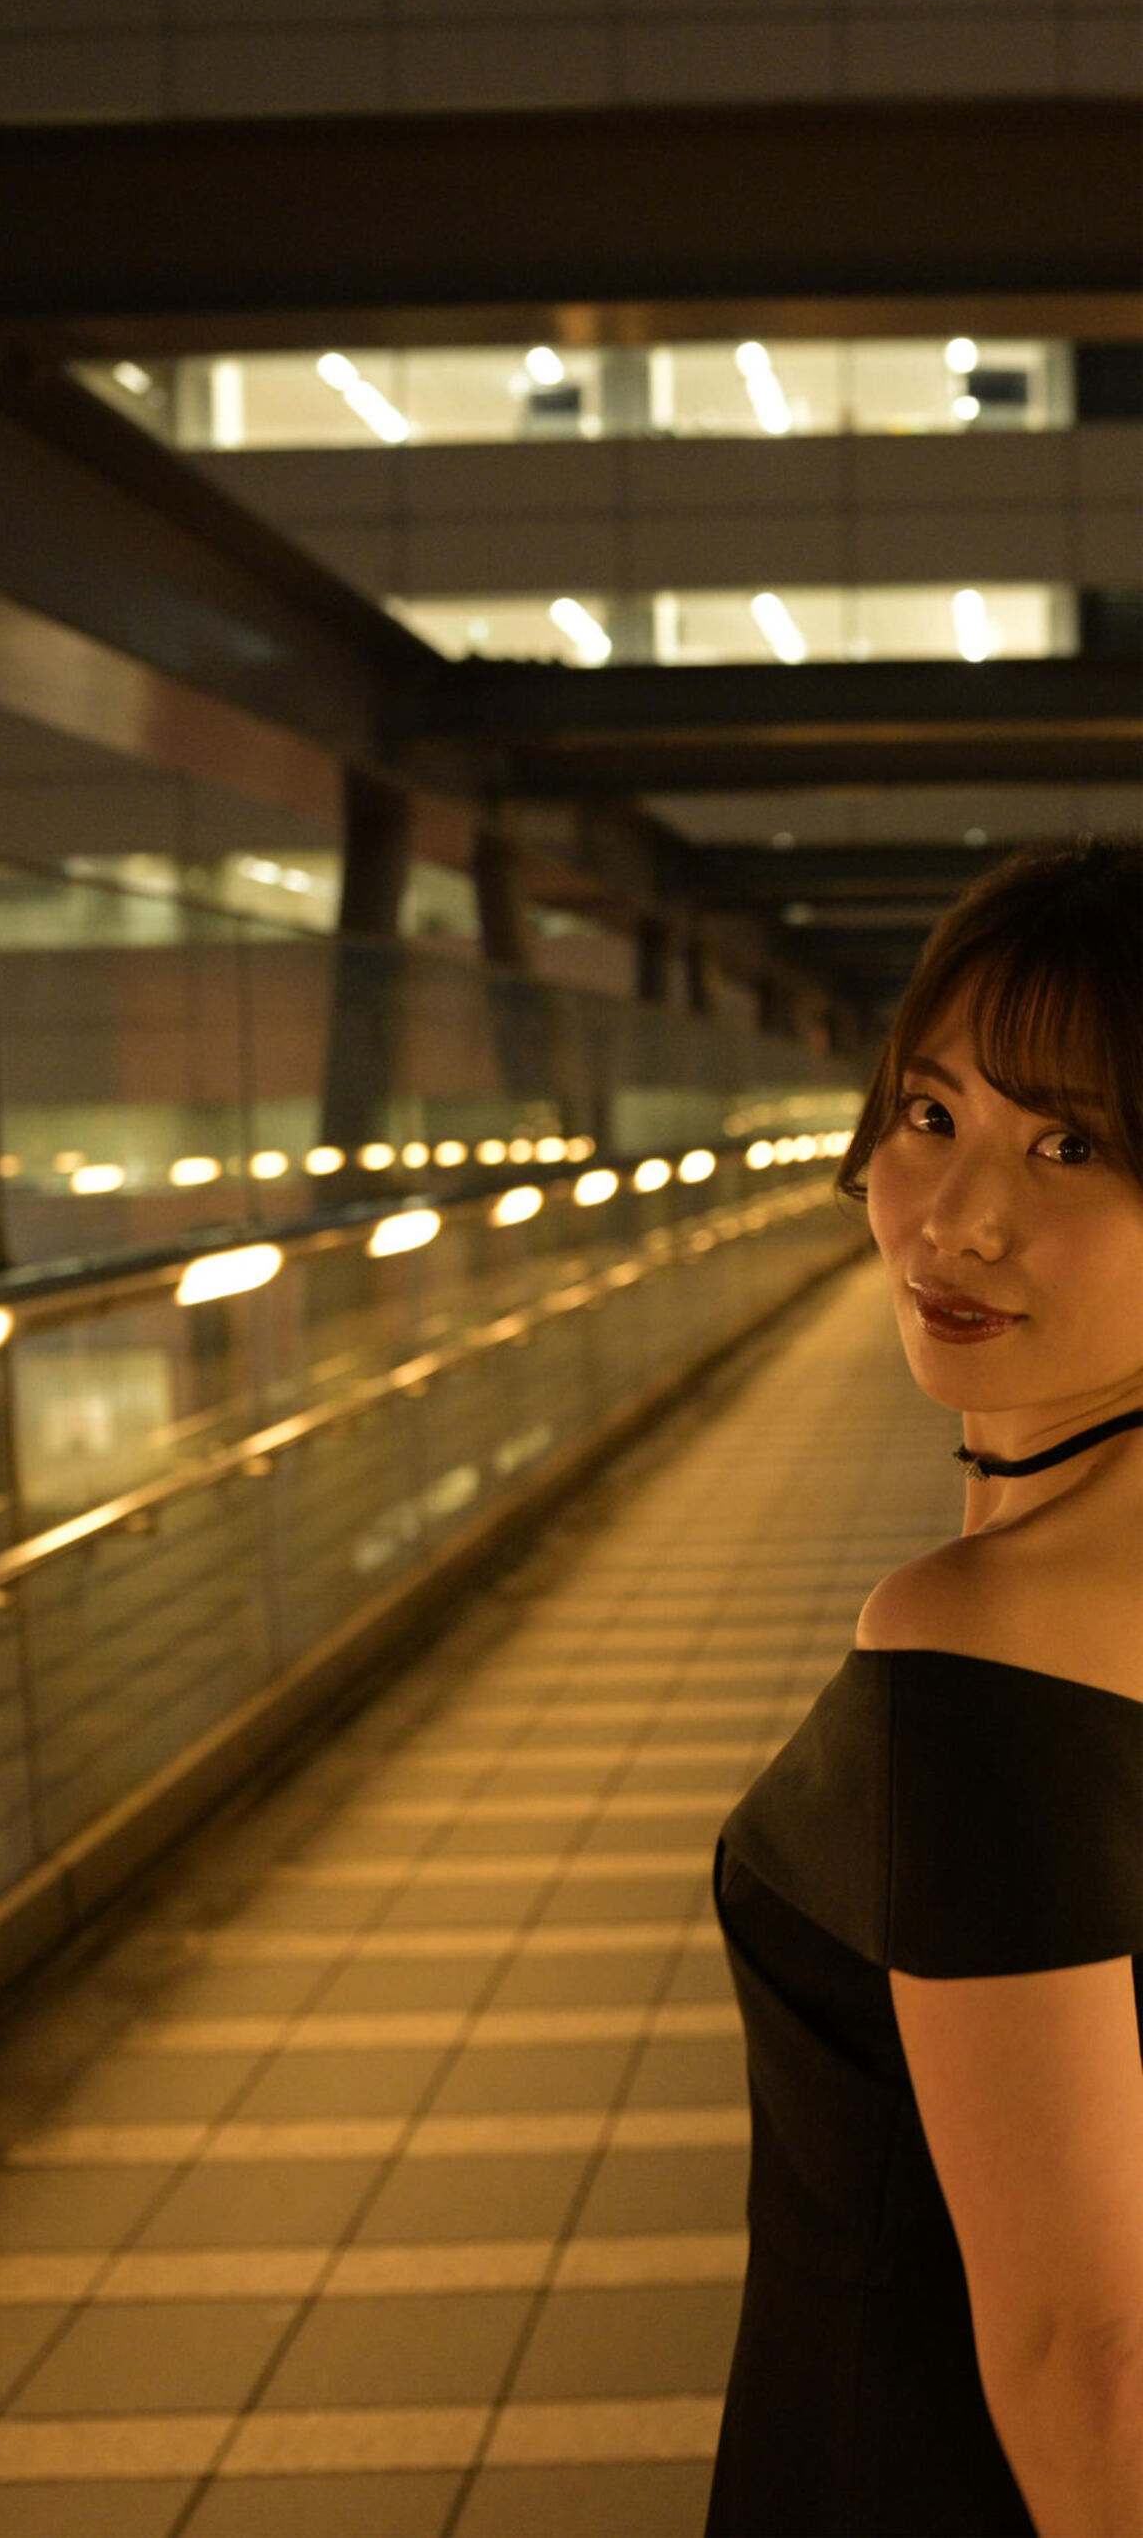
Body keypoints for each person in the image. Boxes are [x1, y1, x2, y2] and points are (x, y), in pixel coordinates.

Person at [704, 836, 1143, 2537]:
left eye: (1072, 1145)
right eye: (931, 1113)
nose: (956, 1220)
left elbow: (1085, 2358)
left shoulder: (985, 1644)